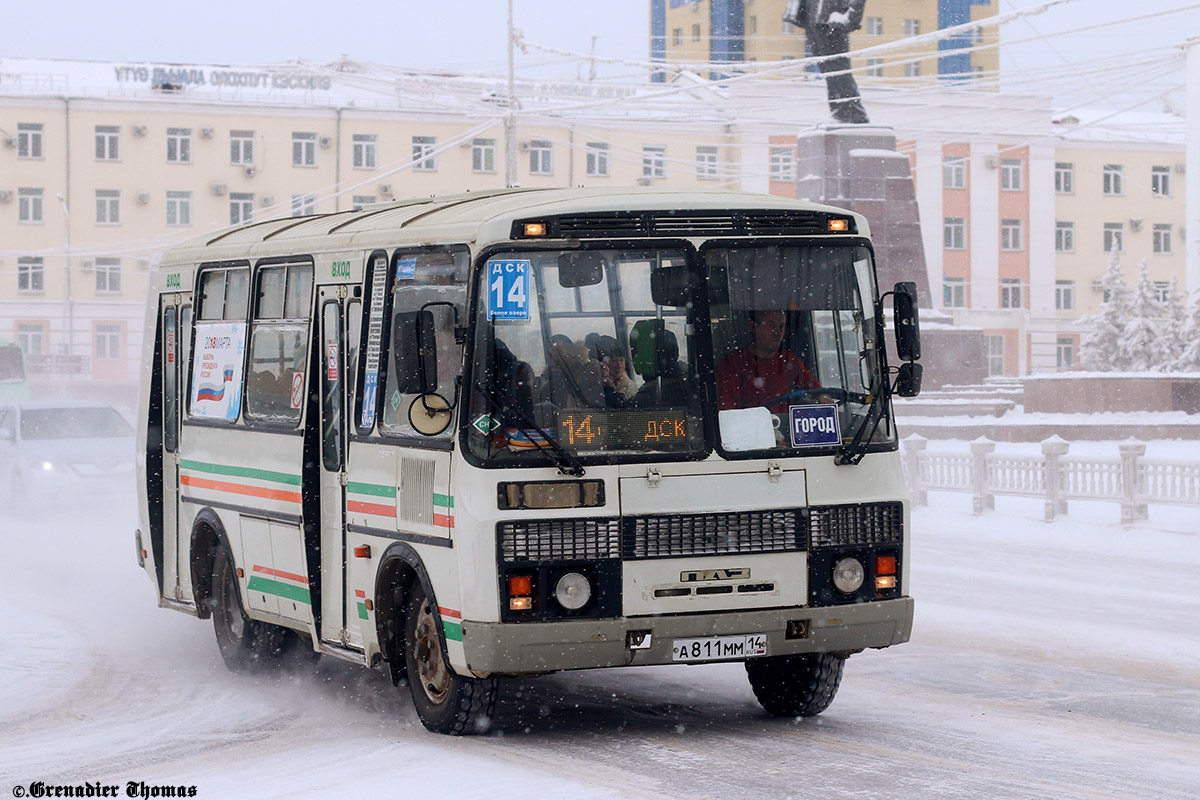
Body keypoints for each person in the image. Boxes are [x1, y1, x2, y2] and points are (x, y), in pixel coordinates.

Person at [717, 310, 822, 413]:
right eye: (771, 325)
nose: (777, 332)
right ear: (753, 327)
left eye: (782, 326)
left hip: (784, 428)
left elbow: (814, 388)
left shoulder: (789, 361)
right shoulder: (732, 365)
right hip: (749, 428)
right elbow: (727, 413)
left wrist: (824, 397)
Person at [783, 0, 870, 125]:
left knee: (837, 69)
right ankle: (845, 113)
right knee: (827, 70)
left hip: (831, 19)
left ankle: (848, 113)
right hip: (812, 18)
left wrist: (850, 17)